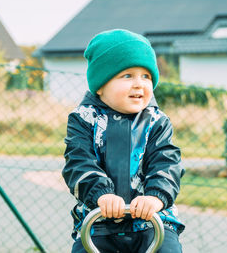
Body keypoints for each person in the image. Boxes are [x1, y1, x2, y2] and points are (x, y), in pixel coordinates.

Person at [62, 29, 185, 253]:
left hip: (151, 222)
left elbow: (166, 162)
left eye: (146, 76)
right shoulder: (83, 120)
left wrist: (156, 196)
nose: (139, 84)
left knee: (167, 249)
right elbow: (78, 163)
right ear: (100, 85)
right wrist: (101, 195)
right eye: (127, 75)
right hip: (99, 223)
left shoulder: (157, 121)